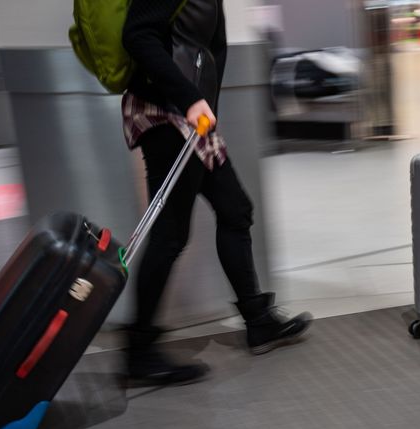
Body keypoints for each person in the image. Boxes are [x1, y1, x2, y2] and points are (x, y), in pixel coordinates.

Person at [121, 0, 312, 385]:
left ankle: (257, 322)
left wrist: (202, 103)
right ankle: (138, 352)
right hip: (168, 114)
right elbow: (138, 36)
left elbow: (204, 47)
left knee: (235, 209)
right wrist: (190, 98)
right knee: (171, 234)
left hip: (192, 118)